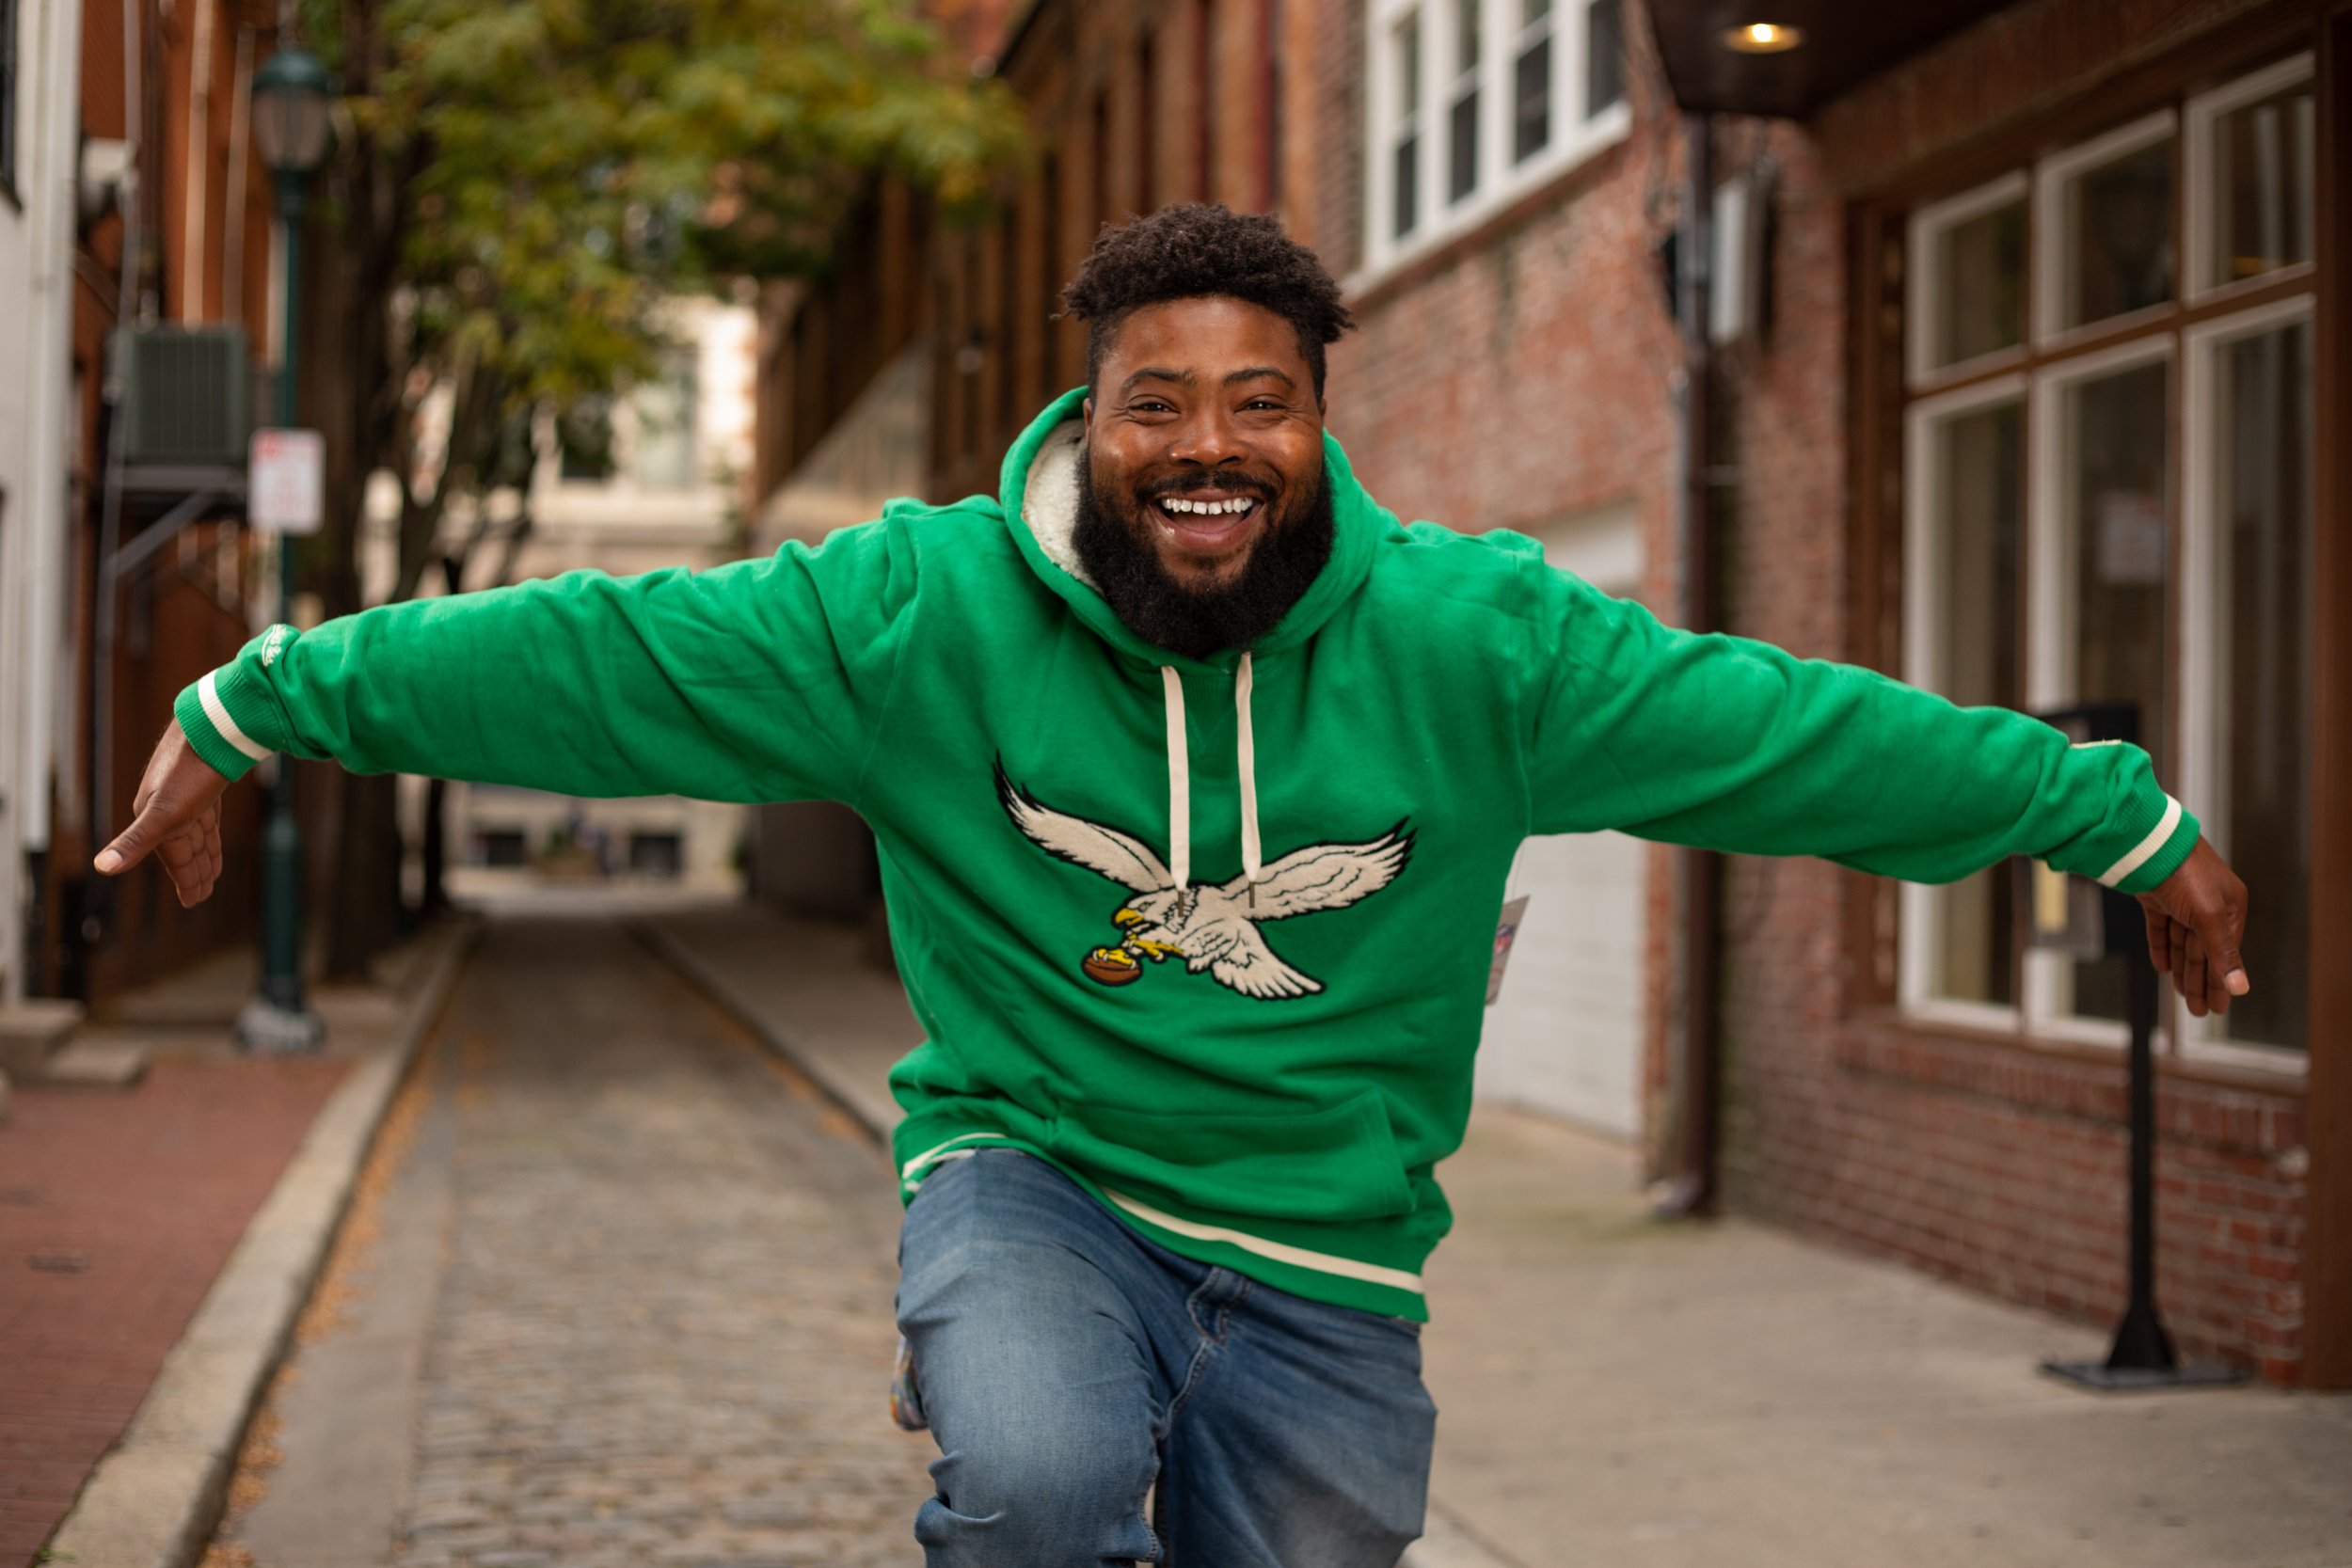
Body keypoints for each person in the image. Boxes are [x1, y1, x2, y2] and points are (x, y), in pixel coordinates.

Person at [100, 203, 2251, 1568]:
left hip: (1328, 1246)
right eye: (1157, 404)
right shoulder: (913, 616)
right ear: (1088, 418)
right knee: (1035, 1484)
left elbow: (1796, 735)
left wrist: (2109, 818)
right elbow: (593, 658)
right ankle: (997, 1354)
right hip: (1034, 1170)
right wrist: (268, 691)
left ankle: (1016, 1370)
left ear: (1317, 421)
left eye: (1256, 404)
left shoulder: (1482, 644)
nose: (1203, 446)